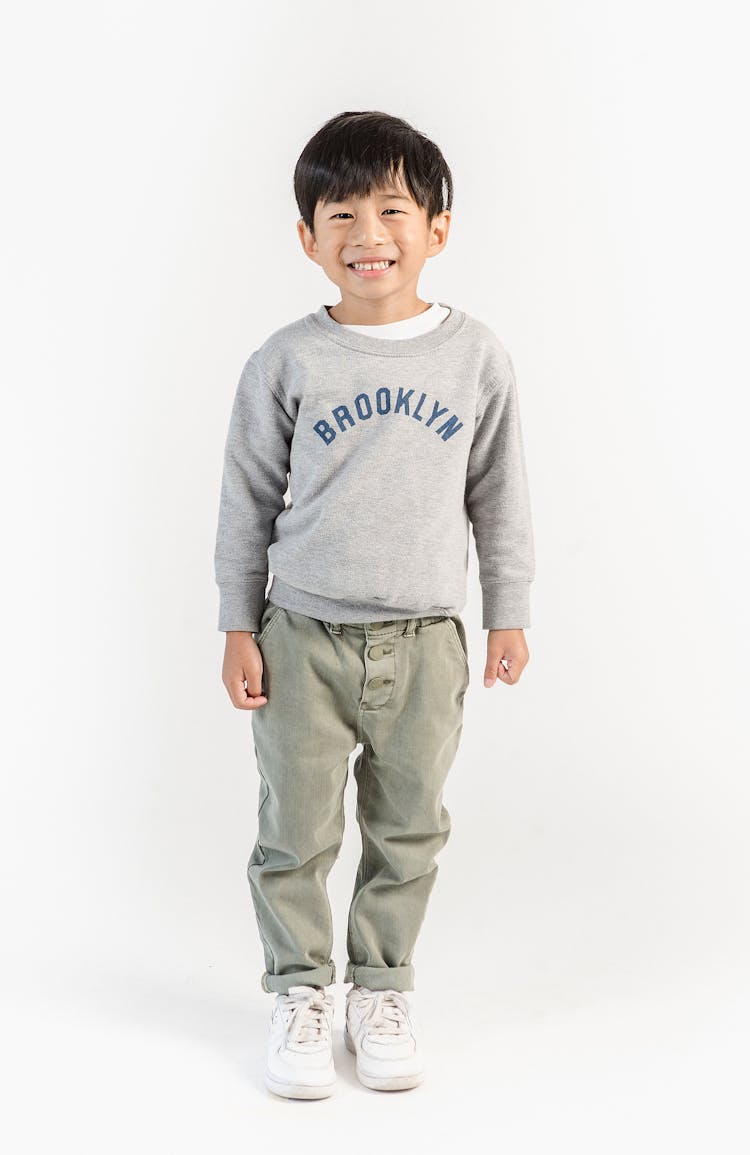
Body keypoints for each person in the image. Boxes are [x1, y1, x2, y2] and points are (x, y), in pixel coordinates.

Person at [213, 110, 535, 1099]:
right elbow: (248, 500)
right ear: (307, 238)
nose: (368, 234)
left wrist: (506, 612)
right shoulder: (286, 362)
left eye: (393, 208)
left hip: (426, 642)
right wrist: (238, 624)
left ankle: (380, 987)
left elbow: (499, 493)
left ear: (439, 227)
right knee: (296, 830)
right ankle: (302, 990)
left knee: (408, 828)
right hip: (301, 636)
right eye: (340, 212)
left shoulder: (476, 358)